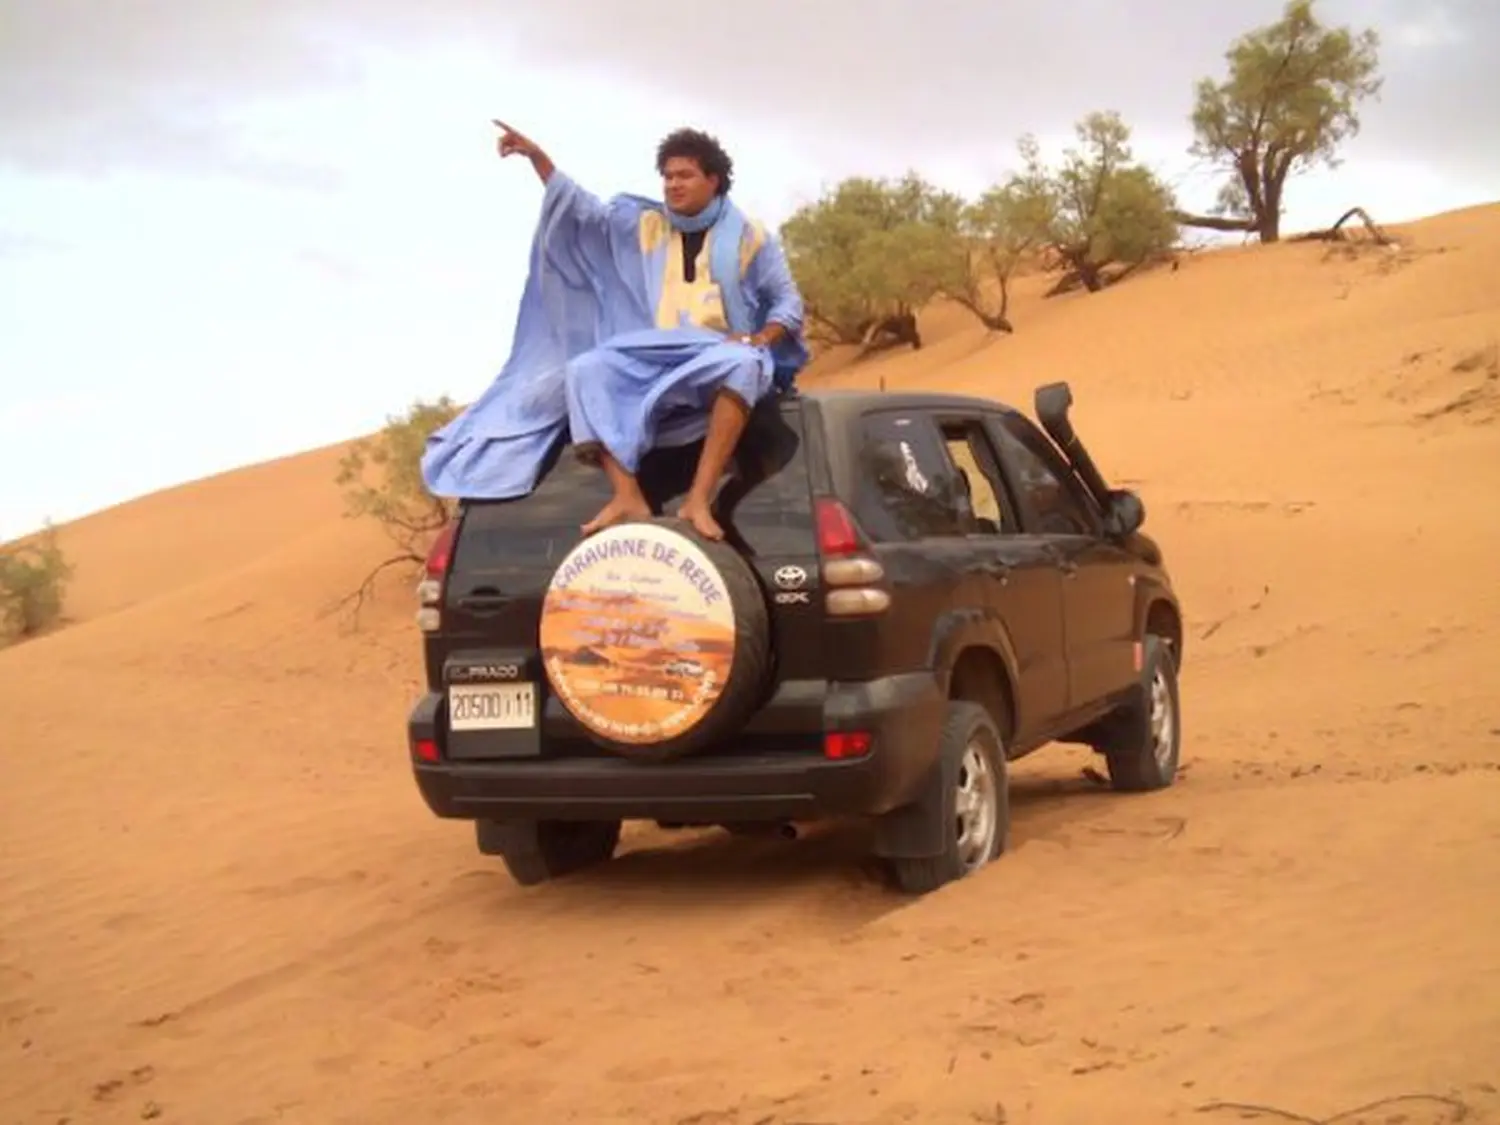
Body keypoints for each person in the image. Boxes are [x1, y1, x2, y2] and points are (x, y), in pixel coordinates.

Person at [419, 121, 809, 541]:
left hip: (717, 350)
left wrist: (759, 339)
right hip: (656, 350)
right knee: (587, 368)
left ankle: (698, 498)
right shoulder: (646, 225)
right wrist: (538, 159)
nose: (673, 185)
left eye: (685, 175)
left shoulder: (752, 237)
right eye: (668, 176)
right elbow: (584, 213)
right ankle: (627, 495)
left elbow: (787, 301)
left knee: (744, 365)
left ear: (713, 180)